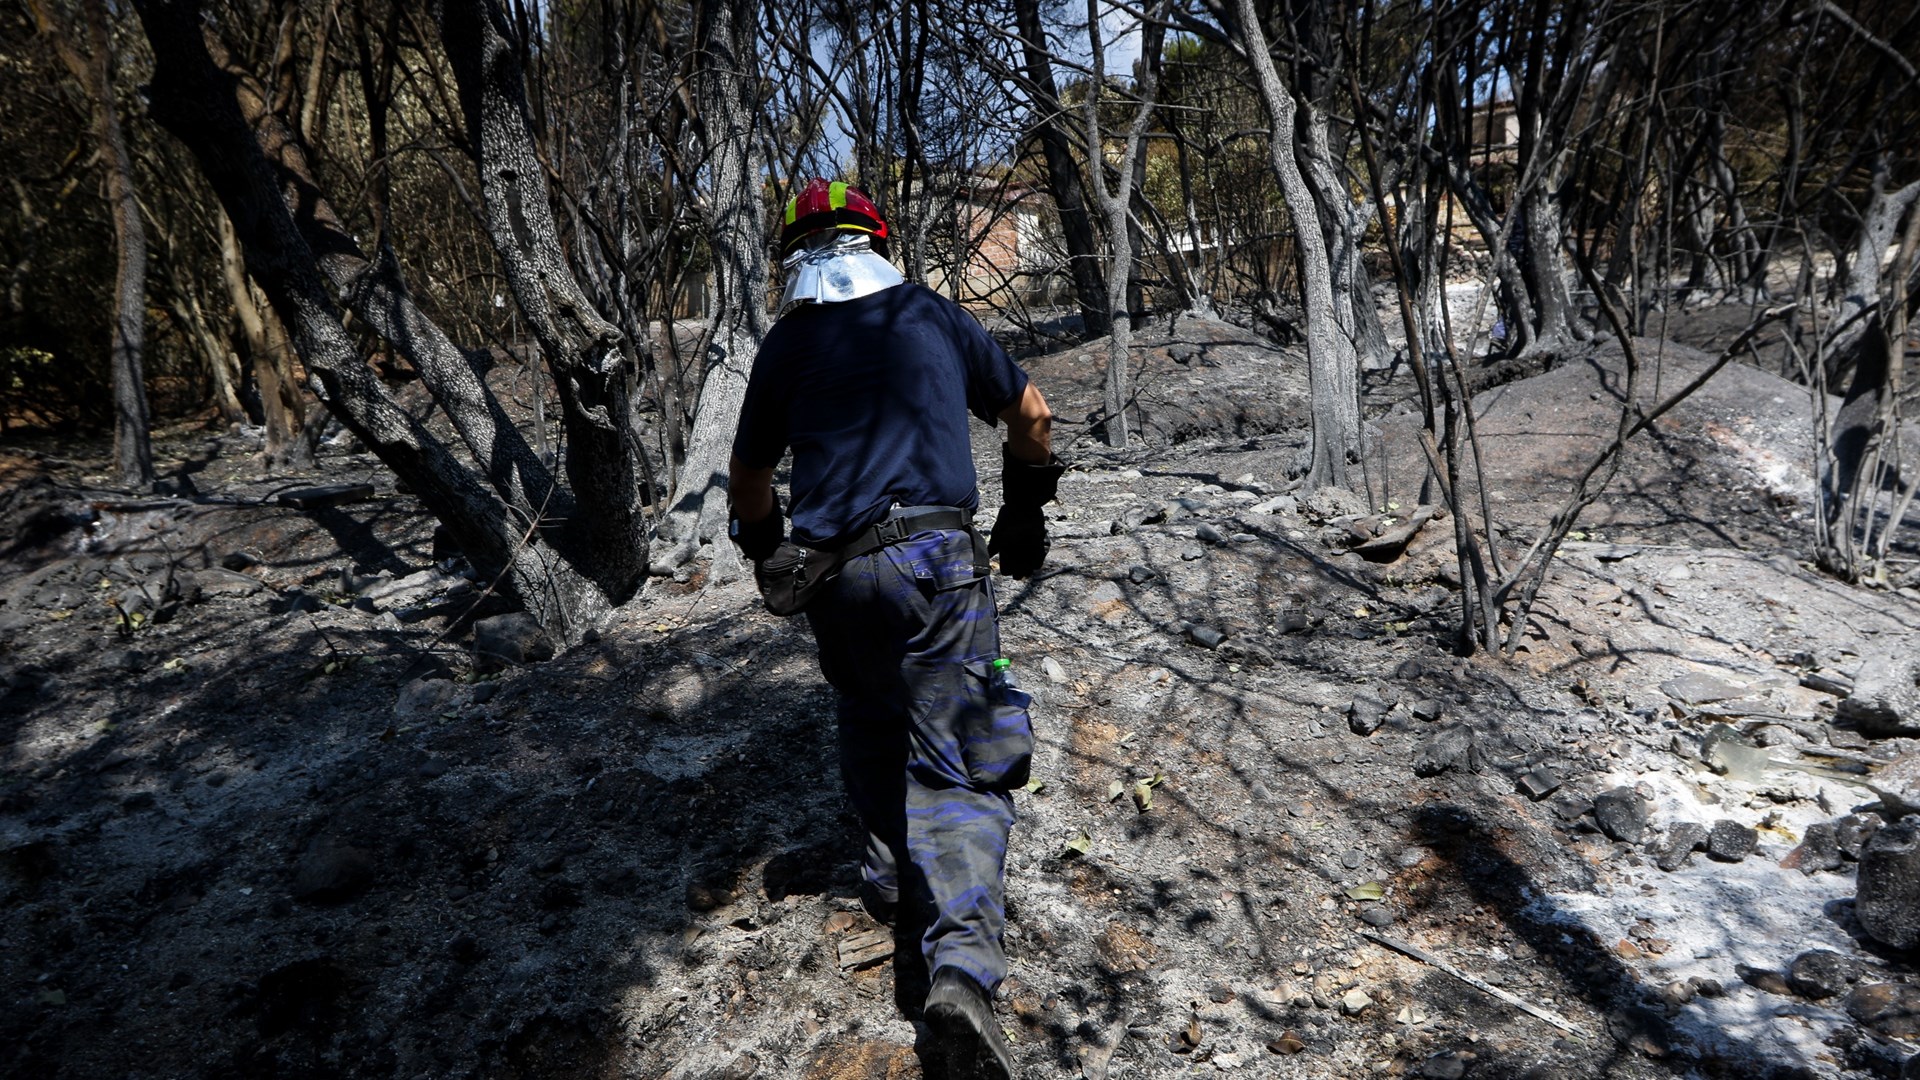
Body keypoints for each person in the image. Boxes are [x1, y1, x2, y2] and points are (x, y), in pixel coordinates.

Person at [727, 179, 1061, 1079]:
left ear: (796, 255)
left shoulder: (787, 344)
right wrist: (1025, 509)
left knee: (872, 717)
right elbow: (1031, 415)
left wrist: (765, 552)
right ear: (880, 238)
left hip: (836, 579)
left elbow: (750, 485)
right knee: (960, 763)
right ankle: (959, 974)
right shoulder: (934, 316)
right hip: (938, 565)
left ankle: (889, 887)